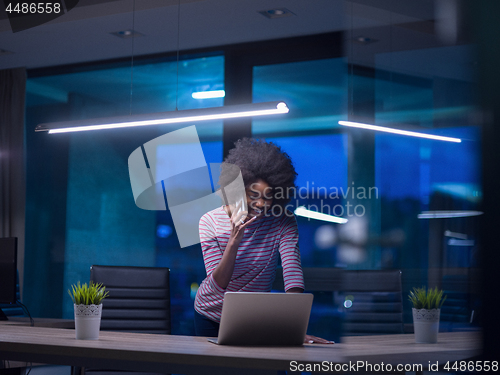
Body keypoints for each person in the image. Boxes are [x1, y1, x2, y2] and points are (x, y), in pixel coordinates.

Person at [194, 138, 333, 344]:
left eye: (268, 196)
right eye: (253, 195)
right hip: (211, 312)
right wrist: (234, 241)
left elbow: (292, 272)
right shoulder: (209, 221)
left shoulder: (283, 220)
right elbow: (218, 283)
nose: (261, 203)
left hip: (254, 315)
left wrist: (294, 327)